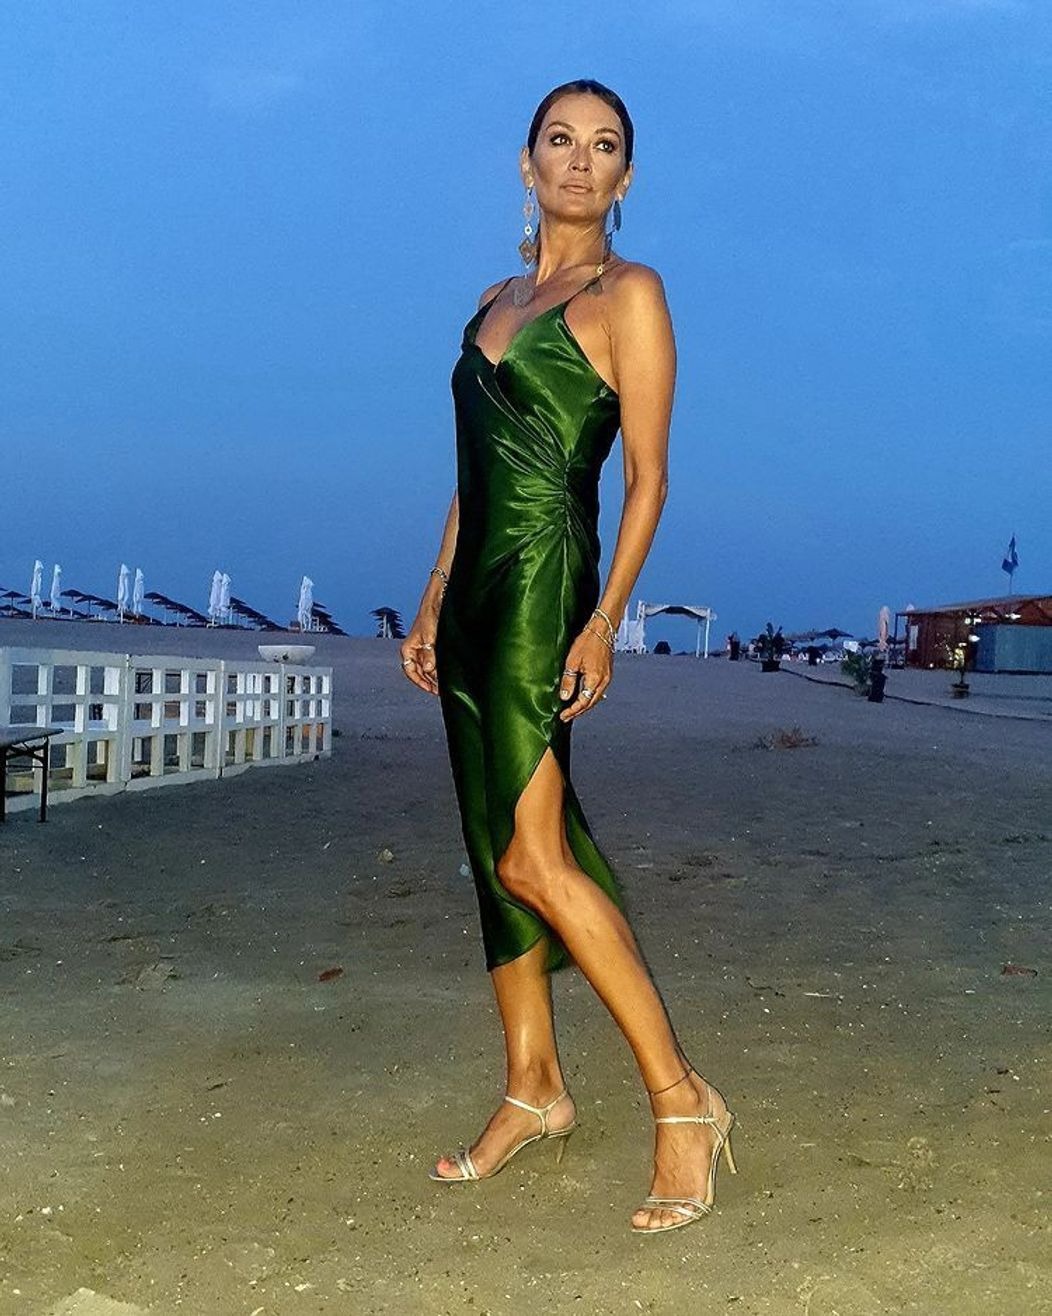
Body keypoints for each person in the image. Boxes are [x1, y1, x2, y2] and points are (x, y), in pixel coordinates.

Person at [399, 79, 736, 1235]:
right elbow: (472, 472)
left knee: (535, 859)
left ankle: (681, 1099)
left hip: (547, 587)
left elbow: (646, 478)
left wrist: (604, 620)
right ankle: (532, 1086)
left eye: (603, 146)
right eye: (560, 140)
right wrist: (432, 596)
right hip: (472, 601)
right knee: (491, 854)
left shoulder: (627, 294)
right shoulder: (490, 303)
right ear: (526, 163)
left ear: (625, 177)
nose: (579, 161)